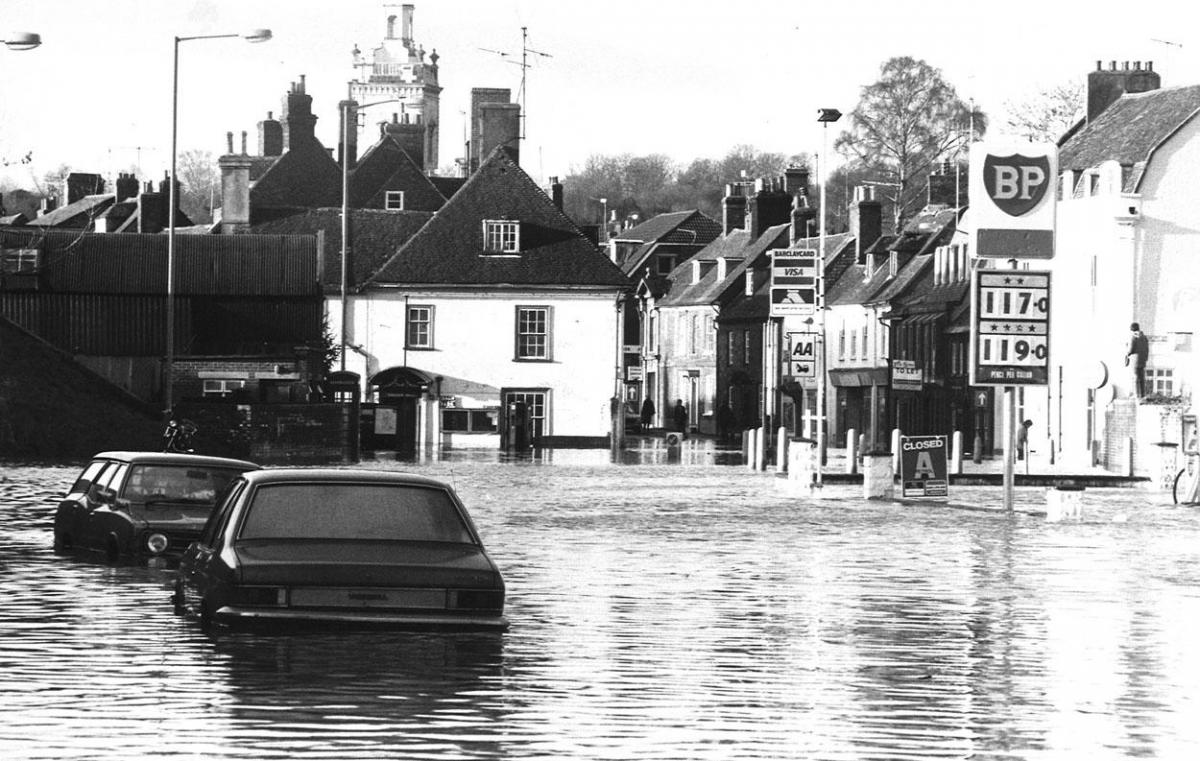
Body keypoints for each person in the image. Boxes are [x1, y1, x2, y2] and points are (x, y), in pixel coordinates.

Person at [1126, 322, 1149, 399]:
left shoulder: (1133, 337)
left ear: (1132, 329)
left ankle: (1136, 395)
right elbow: (1147, 349)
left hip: (1135, 360)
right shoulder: (1144, 337)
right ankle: (1143, 395)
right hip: (1143, 360)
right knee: (1142, 378)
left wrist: (1127, 353)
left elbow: (1130, 350)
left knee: (1135, 377)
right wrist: (1145, 358)